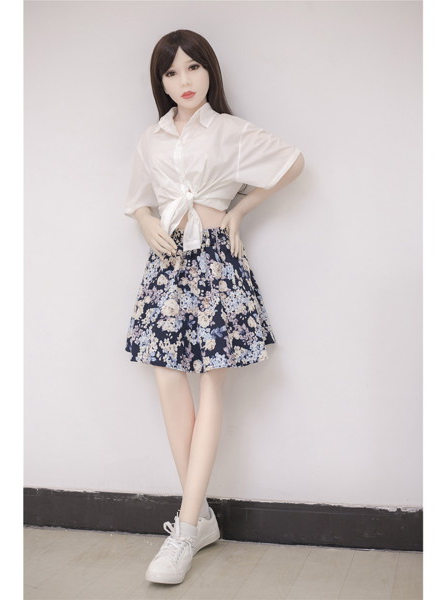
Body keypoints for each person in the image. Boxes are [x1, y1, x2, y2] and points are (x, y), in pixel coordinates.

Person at [123, 29, 305, 585]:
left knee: (212, 386)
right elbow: (138, 201)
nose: (184, 81)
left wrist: (239, 211)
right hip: (169, 266)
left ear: (210, 71)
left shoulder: (230, 131)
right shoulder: (151, 139)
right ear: (160, 82)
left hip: (217, 264)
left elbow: (293, 162)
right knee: (167, 379)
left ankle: (185, 530)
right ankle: (199, 516)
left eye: (193, 67)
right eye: (171, 72)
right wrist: (148, 222)